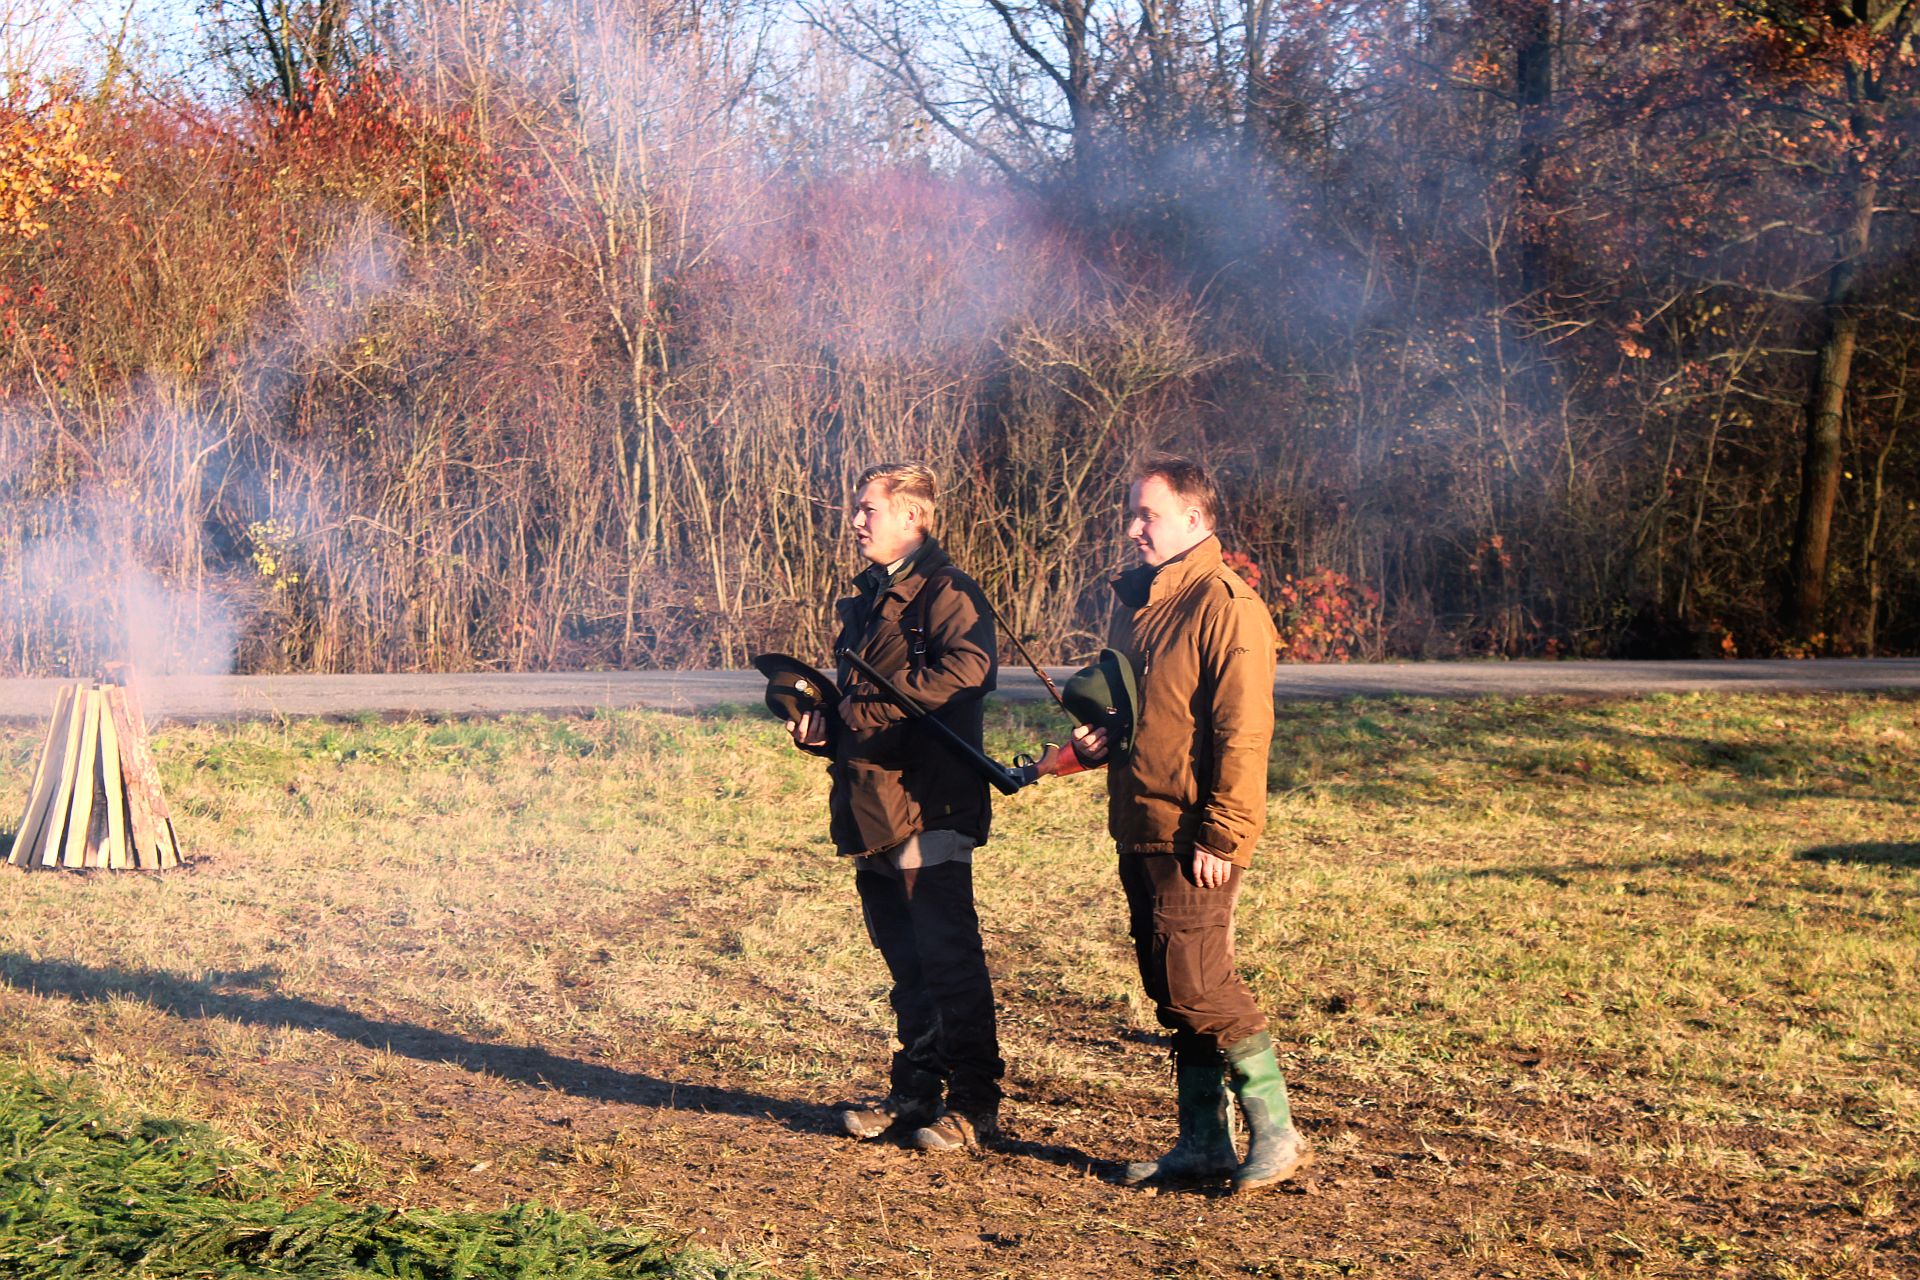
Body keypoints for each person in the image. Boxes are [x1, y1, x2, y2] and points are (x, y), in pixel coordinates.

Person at [1072, 454, 1310, 1193]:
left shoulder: (1227, 606)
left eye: (1148, 514)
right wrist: (1101, 737)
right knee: (1169, 985)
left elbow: (1244, 732)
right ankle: (1203, 1143)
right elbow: (1147, 713)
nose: (1133, 528)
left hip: (1192, 833)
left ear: (1196, 519)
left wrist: (1223, 831)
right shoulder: (1142, 602)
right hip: (1141, 819)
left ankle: (1277, 1134)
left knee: (1200, 985)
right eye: (1132, 514)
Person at [785, 461, 1005, 1151]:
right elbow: (862, 708)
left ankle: (975, 1108)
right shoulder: (869, 598)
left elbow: (971, 670)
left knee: (949, 961)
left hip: (928, 803)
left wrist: (870, 706)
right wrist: (825, 727)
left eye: (868, 509)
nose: (855, 521)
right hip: (872, 805)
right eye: (856, 509)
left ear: (912, 517)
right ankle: (914, 1097)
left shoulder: (946, 590)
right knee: (907, 963)